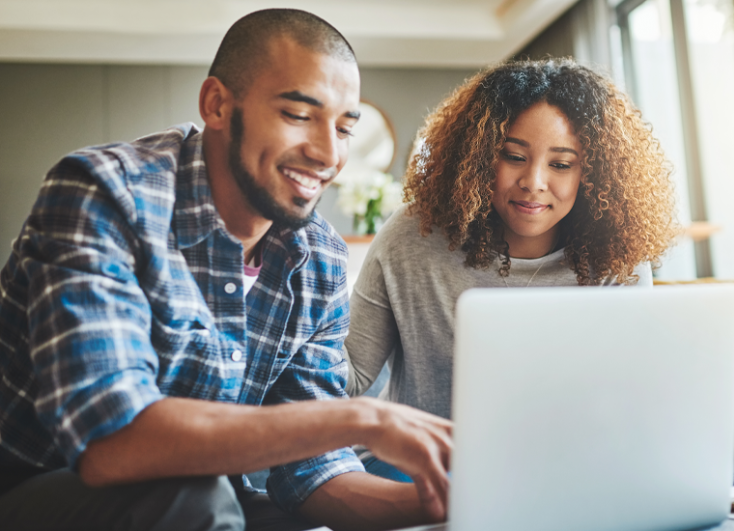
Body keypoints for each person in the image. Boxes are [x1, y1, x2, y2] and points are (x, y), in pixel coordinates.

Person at [0, 9, 452, 531]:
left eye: (345, 127)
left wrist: (451, 505)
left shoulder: (319, 257)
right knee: (195, 496)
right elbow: (110, 441)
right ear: (217, 104)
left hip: (202, 496)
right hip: (33, 489)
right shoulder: (104, 195)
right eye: (298, 115)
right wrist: (362, 417)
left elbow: (310, 472)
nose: (329, 152)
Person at [344, 58, 679, 482]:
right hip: (423, 467)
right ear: (481, 154)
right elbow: (349, 375)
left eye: (561, 164)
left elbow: (630, 394)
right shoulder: (414, 236)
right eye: (513, 156)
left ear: (591, 173)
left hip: (564, 467)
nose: (534, 181)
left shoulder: (615, 257)